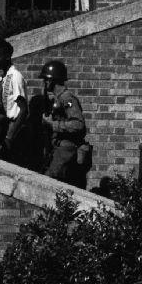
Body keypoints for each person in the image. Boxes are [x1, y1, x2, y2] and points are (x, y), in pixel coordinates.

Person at [40, 60, 87, 189]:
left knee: (49, 182)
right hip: (59, 148)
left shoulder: (67, 98)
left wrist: (53, 124)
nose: (44, 83)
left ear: (52, 80)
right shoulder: (58, 98)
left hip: (67, 149)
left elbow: (78, 124)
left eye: (46, 80)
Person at [0, 41, 28, 164]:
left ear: (7, 57)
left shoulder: (15, 76)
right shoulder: (6, 76)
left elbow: (23, 110)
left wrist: (10, 136)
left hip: (16, 126)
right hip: (8, 124)